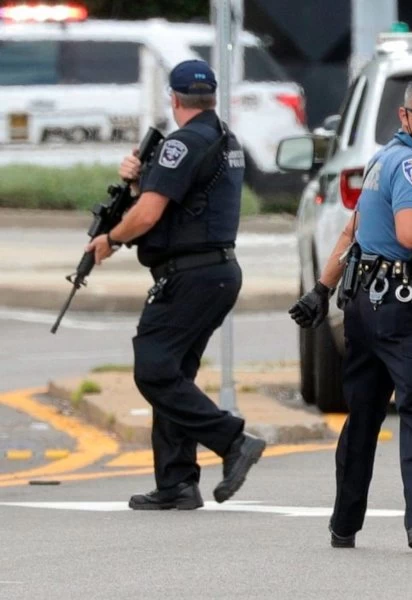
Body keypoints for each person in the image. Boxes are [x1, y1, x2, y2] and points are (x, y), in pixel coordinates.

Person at [288, 77, 412, 552]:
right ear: (405, 117)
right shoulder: (411, 167)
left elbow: (351, 233)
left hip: (363, 307)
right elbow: (411, 233)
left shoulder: (380, 161)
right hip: (402, 309)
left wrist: (321, 289)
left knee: (364, 415)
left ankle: (344, 524)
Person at [86, 59, 266, 510]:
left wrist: (109, 238)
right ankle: (177, 482)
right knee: (173, 372)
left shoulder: (182, 144)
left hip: (191, 276)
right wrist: (137, 184)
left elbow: (148, 215)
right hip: (216, 273)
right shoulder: (225, 139)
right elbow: (180, 205)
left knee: (154, 368)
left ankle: (232, 440)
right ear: (212, 97)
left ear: (174, 98)